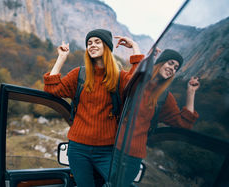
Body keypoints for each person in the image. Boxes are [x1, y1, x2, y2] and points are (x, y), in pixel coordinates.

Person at [43, 29, 144, 187]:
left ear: (107, 47)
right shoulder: (79, 75)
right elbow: (52, 89)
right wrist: (61, 58)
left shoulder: (120, 77)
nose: (92, 45)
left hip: (108, 151)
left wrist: (135, 49)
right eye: (89, 43)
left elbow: (139, 86)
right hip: (78, 150)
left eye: (97, 42)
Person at [109, 49, 200, 187]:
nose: (172, 69)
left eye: (176, 68)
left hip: (132, 158)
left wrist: (191, 93)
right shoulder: (138, 82)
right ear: (160, 63)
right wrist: (147, 58)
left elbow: (183, 125)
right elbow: (129, 79)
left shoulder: (164, 97)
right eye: (170, 63)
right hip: (111, 147)